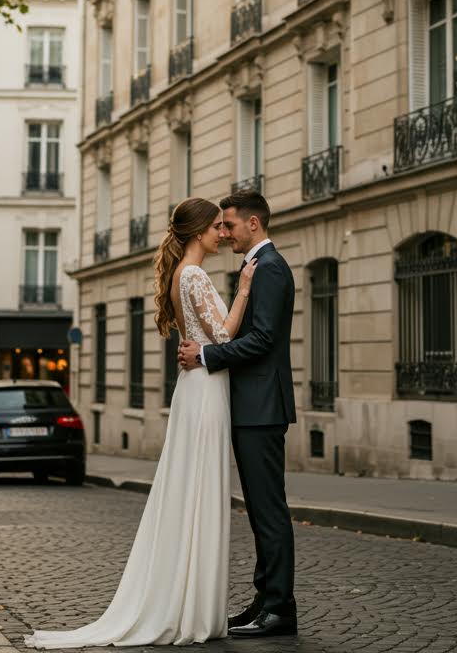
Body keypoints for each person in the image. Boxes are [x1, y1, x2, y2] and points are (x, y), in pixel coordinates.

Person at [25, 197, 257, 649]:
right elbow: (225, 335)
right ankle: (192, 608)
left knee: (189, 490)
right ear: (196, 233)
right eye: (215, 227)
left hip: (196, 387)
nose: (222, 234)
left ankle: (188, 601)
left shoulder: (178, 276)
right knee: (198, 491)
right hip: (206, 389)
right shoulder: (194, 274)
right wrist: (244, 288)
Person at [179, 190, 297, 640]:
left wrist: (207, 355)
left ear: (253, 223)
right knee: (260, 510)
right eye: (219, 226)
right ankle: (264, 600)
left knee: (268, 511)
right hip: (252, 406)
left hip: (262, 407)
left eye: (229, 225)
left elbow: (264, 340)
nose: (224, 233)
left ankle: (280, 609)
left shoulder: (269, 268)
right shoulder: (258, 267)